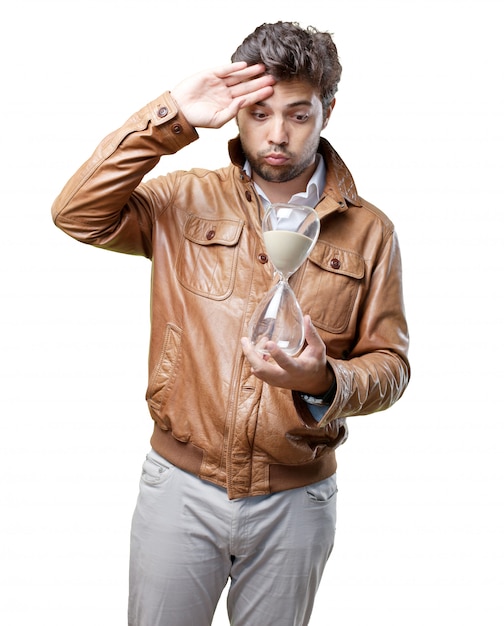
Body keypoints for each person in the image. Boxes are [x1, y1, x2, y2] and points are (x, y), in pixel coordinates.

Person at [52, 21, 410, 626]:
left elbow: (391, 366)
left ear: (328, 112)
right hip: (180, 489)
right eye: (261, 112)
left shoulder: (370, 230)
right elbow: (76, 214)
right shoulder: (181, 200)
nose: (277, 135)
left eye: (298, 115)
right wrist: (174, 118)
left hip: (296, 499)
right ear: (239, 110)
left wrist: (325, 380)